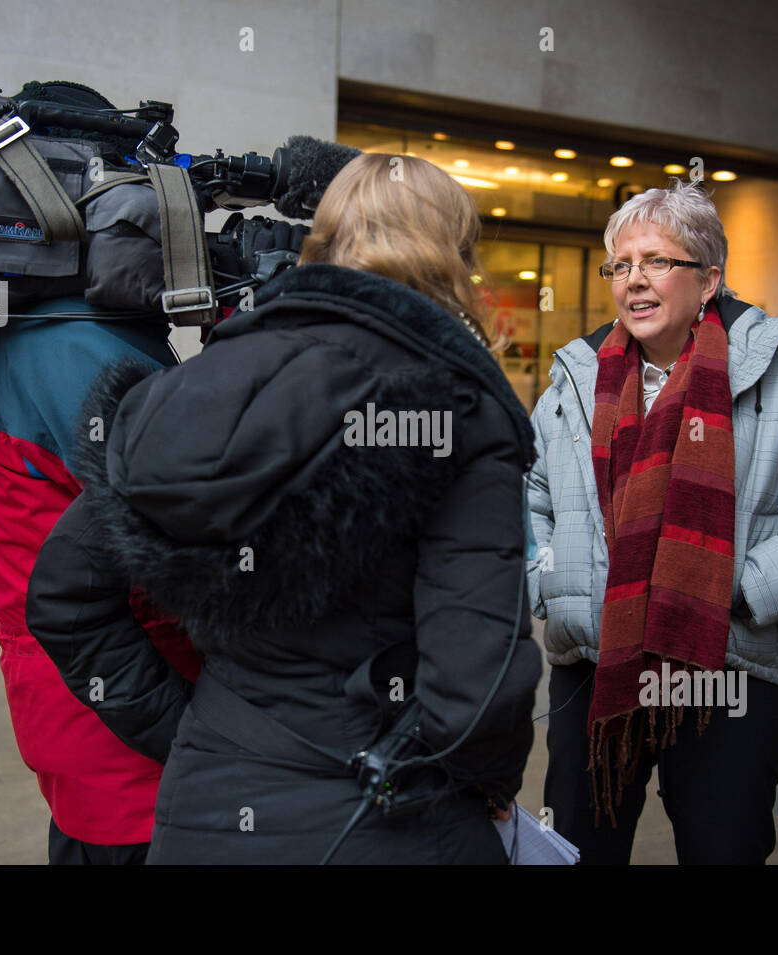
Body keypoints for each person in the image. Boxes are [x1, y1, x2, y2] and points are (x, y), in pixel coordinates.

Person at [26, 152, 542, 864]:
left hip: (199, 810)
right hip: (384, 820)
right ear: (455, 254)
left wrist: (195, 728)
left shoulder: (197, 383)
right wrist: (490, 784)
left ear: (323, 240)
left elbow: (62, 594)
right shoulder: (459, 409)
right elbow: (477, 695)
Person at [526, 179, 778, 864]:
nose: (634, 280)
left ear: (709, 279)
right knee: (577, 850)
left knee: (723, 848)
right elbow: (528, 500)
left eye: (657, 261)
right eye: (621, 265)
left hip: (726, 670)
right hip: (595, 665)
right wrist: (554, 583)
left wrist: (730, 589)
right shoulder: (574, 381)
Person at [0, 298, 201, 864]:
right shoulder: (79, 347)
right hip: (133, 719)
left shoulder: (15, 334)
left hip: (70, 707)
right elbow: (193, 521)